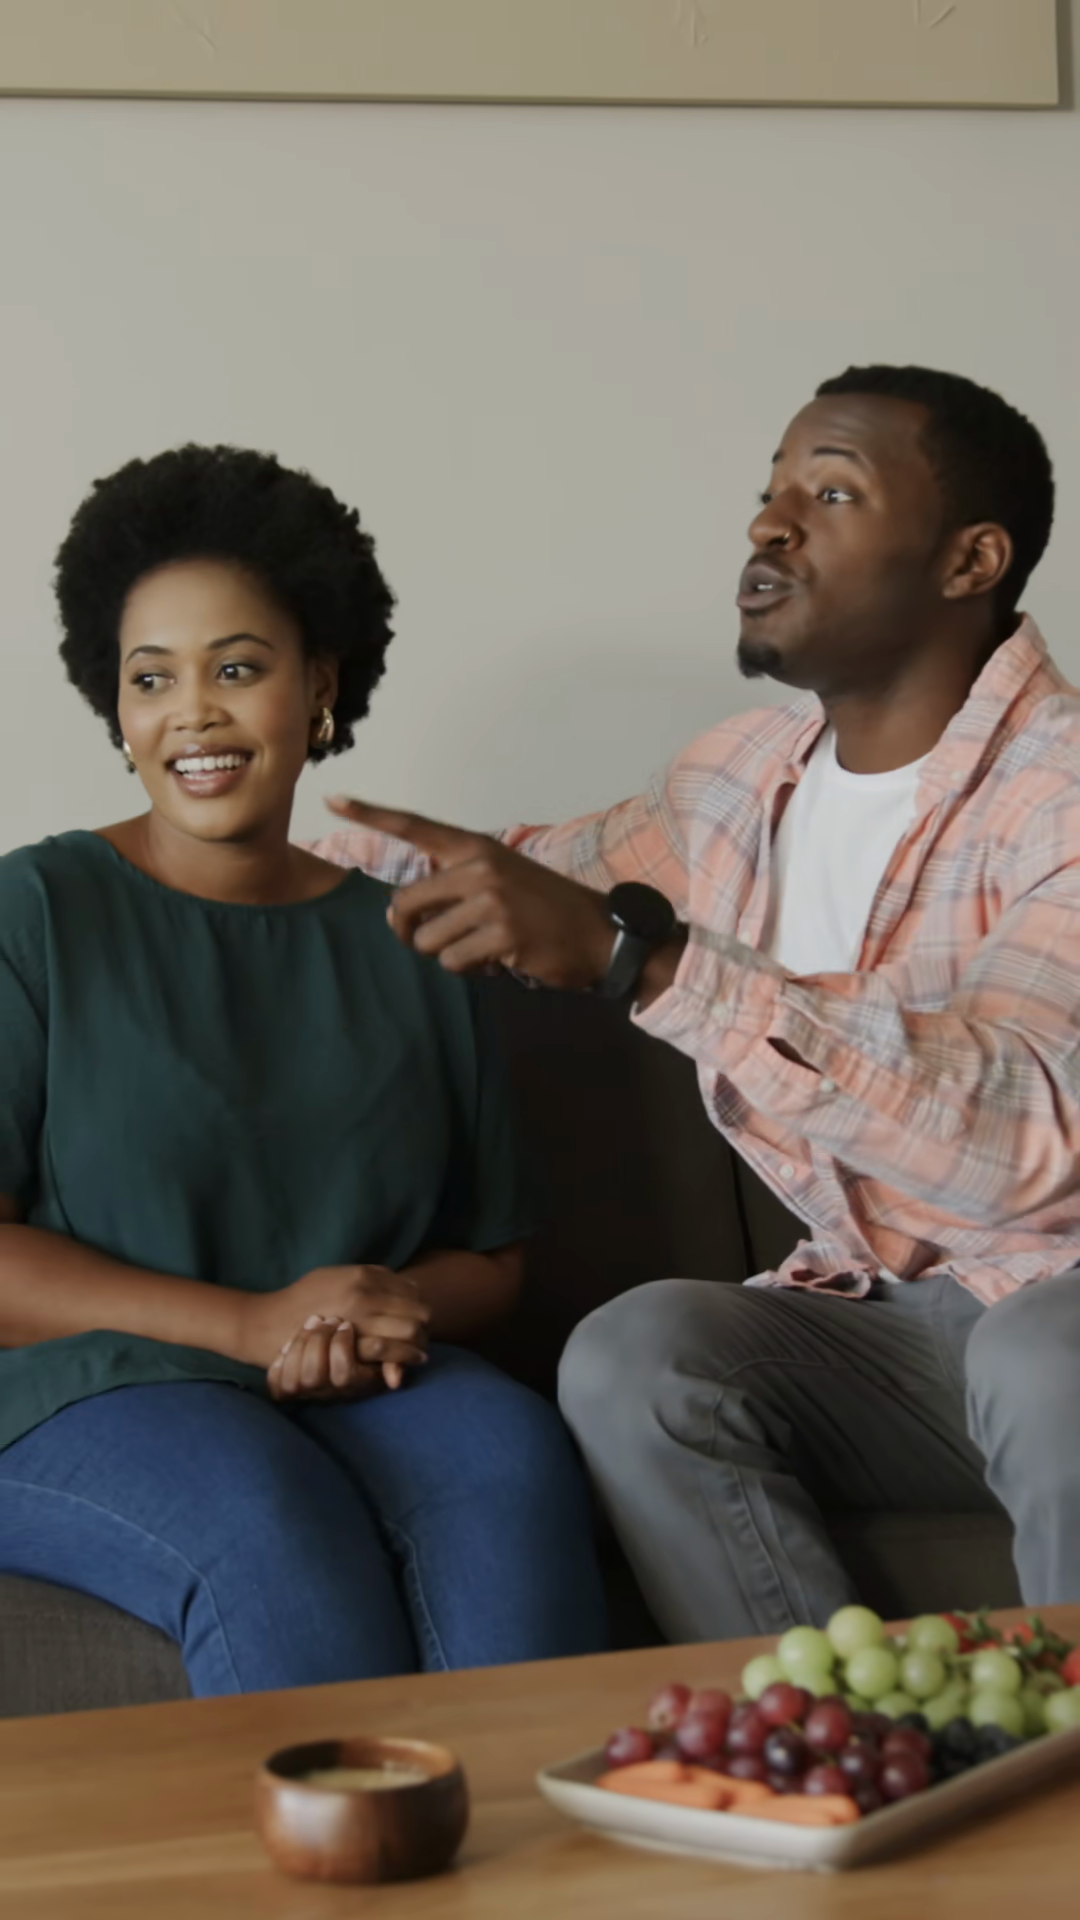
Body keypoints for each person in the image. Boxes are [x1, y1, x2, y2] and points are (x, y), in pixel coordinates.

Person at [316, 364, 1080, 1641]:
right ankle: (821, 1740)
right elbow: (515, 873)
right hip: (897, 1334)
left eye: (830, 493)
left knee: (1039, 1355)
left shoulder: (1061, 788)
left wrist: (653, 965)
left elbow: (1024, 1143)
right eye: (771, 492)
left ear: (971, 559)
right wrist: (199, 857)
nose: (769, 525)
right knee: (639, 1353)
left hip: (1061, 1313)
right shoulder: (735, 783)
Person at [0, 444, 607, 1695]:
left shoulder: (411, 939)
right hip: (88, 1381)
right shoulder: (37, 910)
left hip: (365, 1378)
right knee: (265, 1518)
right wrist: (254, 1325)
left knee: (508, 1459)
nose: (193, 713)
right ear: (116, 707)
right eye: (151, 678)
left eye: (237, 668)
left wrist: (373, 1309)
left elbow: (491, 1256)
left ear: (318, 684)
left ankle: (533, 1832)